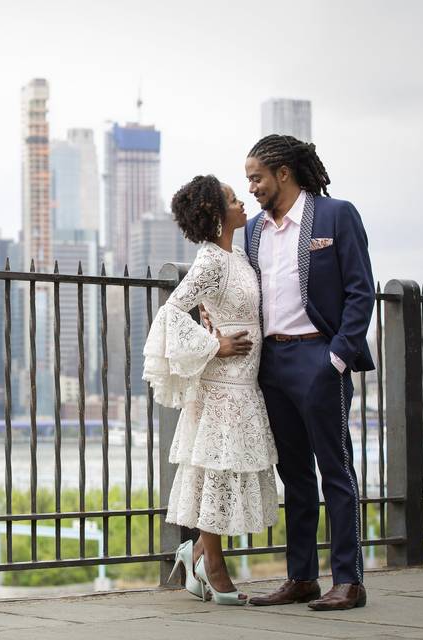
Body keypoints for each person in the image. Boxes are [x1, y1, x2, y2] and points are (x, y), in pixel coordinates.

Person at [242, 135, 375, 611]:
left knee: (336, 470)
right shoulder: (253, 229)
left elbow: (362, 291)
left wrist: (337, 357)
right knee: (294, 476)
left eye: (256, 176)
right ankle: (301, 577)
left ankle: (349, 580)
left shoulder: (336, 215)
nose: (252, 186)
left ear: (283, 172)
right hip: (272, 365)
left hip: (320, 358)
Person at [144, 175, 279, 605]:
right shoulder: (209, 262)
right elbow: (171, 312)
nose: (242, 202)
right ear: (216, 213)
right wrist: (213, 345)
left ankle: (198, 551)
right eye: (232, 199)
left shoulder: (236, 254)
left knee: (227, 472)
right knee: (214, 475)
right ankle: (213, 565)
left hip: (244, 384)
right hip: (220, 385)